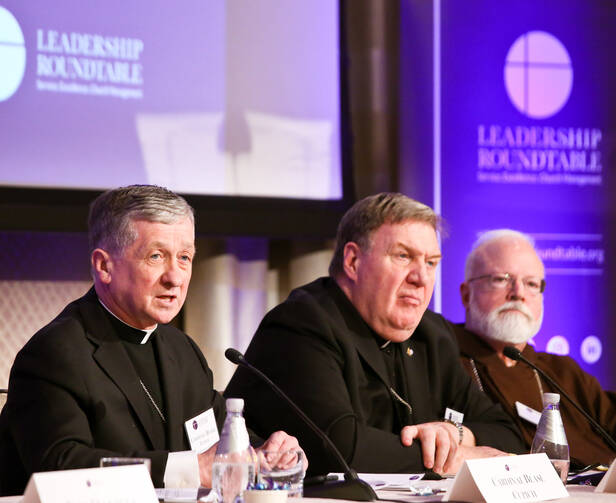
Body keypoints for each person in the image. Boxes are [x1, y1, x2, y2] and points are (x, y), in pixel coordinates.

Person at [0, 185, 301, 496]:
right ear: (104, 266)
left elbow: (218, 444)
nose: (175, 277)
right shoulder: (55, 354)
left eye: (184, 257)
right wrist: (190, 470)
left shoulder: (182, 352)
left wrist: (266, 454)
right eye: (156, 256)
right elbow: (61, 464)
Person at [225, 193, 525, 476]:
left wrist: (455, 434)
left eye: (431, 262)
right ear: (353, 262)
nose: (421, 278)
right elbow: (341, 449)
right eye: (403, 256)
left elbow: (508, 435)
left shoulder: (431, 335)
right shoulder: (301, 325)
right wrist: (455, 458)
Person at [453, 229, 616, 467]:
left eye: (531, 284)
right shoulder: (445, 360)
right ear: (466, 295)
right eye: (501, 279)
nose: (518, 293)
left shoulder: (562, 372)